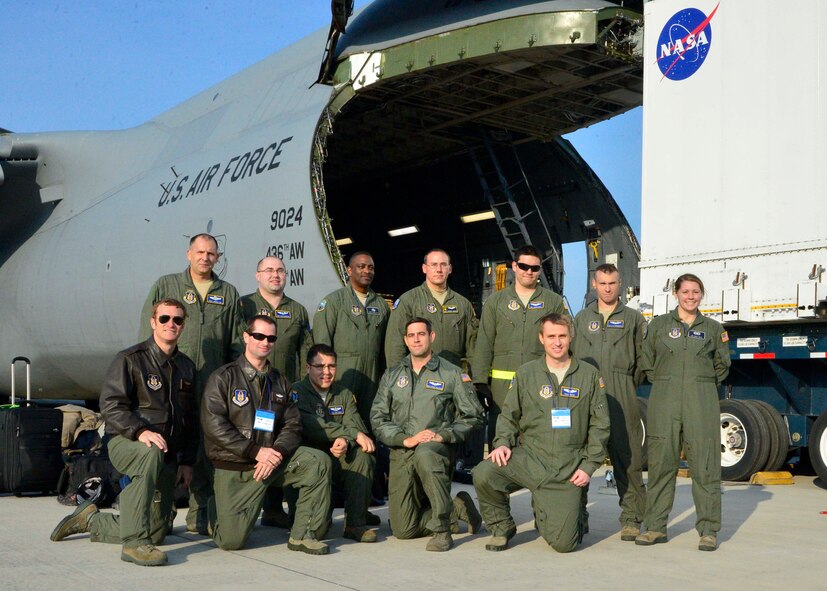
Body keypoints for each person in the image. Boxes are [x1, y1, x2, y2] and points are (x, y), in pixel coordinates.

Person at [50, 299, 198, 567]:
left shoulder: (186, 366)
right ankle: (133, 544)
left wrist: (186, 460)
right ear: (153, 322)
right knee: (149, 454)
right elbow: (111, 405)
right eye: (164, 318)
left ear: (183, 325)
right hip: (126, 441)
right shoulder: (130, 360)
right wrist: (140, 430)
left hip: (166, 453)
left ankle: (92, 520)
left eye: (177, 320)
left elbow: (190, 419)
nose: (171, 324)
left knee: (159, 531)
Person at [472, 313, 609, 553]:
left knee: (564, 544)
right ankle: (501, 527)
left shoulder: (589, 376)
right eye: (551, 336)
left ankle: (569, 509)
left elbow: (600, 425)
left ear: (571, 337)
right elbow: (508, 415)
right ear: (541, 338)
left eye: (562, 336)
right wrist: (502, 442)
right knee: (485, 473)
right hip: (531, 458)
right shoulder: (526, 374)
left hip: (567, 466)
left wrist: (588, 467)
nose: (557, 342)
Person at [139, 233, 244, 534]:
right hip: (171, 380)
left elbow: (236, 342)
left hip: (212, 382)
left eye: (211, 253)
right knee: (169, 440)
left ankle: (200, 515)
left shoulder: (229, 293)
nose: (205, 258)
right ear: (188, 254)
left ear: (217, 258)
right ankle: (163, 511)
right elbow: (147, 331)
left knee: (207, 445)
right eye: (200, 252)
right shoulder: (167, 285)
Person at [201, 315, 332, 555]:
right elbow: (214, 426)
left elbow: (293, 425)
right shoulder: (223, 377)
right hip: (236, 465)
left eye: (271, 338)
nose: (265, 342)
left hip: (271, 462)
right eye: (259, 336)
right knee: (231, 541)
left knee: (317, 462)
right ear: (246, 337)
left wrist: (277, 452)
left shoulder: (280, 381)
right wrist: (256, 451)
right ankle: (214, 509)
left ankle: (303, 534)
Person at [371, 318, 485, 552]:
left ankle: (442, 529)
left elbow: (474, 416)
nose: (416, 339)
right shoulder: (392, 375)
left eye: (421, 334)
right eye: (411, 335)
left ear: (432, 337)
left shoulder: (452, 374)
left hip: (436, 451)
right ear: (405, 340)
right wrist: (404, 439)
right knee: (403, 530)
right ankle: (457, 508)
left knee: (424, 452)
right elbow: (378, 418)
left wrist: (443, 435)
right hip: (402, 451)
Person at [635, 274, 730, 552]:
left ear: (702, 295)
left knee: (706, 465)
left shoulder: (713, 328)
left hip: (701, 400)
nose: (691, 296)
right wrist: (668, 381)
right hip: (665, 398)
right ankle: (654, 527)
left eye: (696, 292)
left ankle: (709, 530)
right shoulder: (659, 326)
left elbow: (722, 366)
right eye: (686, 291)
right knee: (661, 464)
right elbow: (647, 361)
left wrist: (698, 384)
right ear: (676, 293)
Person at [571, 263, 647, 541]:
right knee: (579, 456)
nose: (607, 288)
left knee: (627, 457)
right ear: (594, 284)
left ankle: (631, 518)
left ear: (620, 283)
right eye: (602, 283)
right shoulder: (580, 319)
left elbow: (642, 361)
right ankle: (578, 517)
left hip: (621, 392)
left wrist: (624, 382)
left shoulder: (633, 318)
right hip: (586, 393)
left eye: (612, 283)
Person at [241, 255, 314, 528]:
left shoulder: (297, 310)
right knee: (253, 445)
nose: (275, 275)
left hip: (283, 394)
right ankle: (244, 505)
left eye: (280, 270)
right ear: (257, 275)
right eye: (269, 270)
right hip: (250, 392)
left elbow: (306, 350)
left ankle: (273, 509)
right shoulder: (244, 306)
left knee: (278, 444)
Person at [472, 245, 568, 447]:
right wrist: (480, 383)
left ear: (540, 270)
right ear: (514, 266)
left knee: (540, 434)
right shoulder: (495, 302)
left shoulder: (553, 302)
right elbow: (484, 343)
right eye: (524, 266)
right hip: (501, 387)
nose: (529, 271)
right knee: (501, 438)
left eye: (534, 268)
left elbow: (565, 342)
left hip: (540, 381)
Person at [291, 344, 377, 543]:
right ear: (308, 368)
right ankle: (319, 518)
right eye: (320, 366)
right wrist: (351, 434)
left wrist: (346, 440)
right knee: (318, 529)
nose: (326, 372)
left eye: (331, 366)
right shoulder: (296, 392)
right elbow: (312, 426)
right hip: (308, 465)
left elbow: (356, 426)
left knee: (363, 457)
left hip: (338, 458)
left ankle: (355, 524)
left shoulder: (344, 393)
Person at [313, 251, 390, 426]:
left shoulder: (381, 305)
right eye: (361, 267)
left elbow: (388, 345)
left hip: (372, 374)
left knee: (372, 421)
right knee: (342, 420)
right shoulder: (334, 301)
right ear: (349, 270)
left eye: (370, 268)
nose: (366, 271)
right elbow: (322, 344)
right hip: (343, 374)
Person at [384, 248, 478, 369]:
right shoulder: (408, 301)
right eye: (433, 265)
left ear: (450, 269)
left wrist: (476, 381)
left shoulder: (463, 304)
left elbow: (473, 347)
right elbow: (394, 345)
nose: (439, 270)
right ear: (424, 268)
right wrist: (398, 378)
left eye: (443, 265)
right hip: (419, 377)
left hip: (453, 376)